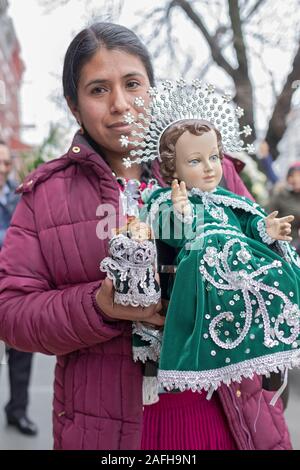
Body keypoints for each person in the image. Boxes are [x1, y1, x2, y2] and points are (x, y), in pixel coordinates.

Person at [0, 23, 292, 451]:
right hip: (108, 427)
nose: (120, 104)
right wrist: (99, 306)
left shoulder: (211, 167)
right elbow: (11, 311)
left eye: (133, 84)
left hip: (229, 413)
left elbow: (260, 257)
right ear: (74, 105)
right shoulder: (47, 195)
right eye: (98, 90)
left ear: (152, 90)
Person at [143, 120, 300, 396]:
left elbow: (248, 223)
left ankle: (273, 354)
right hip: (206, 265)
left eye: (214, 157)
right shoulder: (169, 199)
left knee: (280, 276)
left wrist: (267, 228)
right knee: (218, 289)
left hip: (245, 259)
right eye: (195, 160)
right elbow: (169, 232)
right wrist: (181, 211)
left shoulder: (227, 199)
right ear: (172, 168)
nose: (208, 167)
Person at [0, 140, 38, 436]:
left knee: (21, 353)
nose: (5, 168)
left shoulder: (19, 195)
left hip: (13, 288)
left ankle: (18, 410)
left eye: (6, 162)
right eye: (0, 162)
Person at [269, 161, 300, 254]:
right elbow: (269, 216)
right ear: (289, 179)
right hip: (286, 239)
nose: (296, 179)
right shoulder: (280, 195)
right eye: (294, 176)